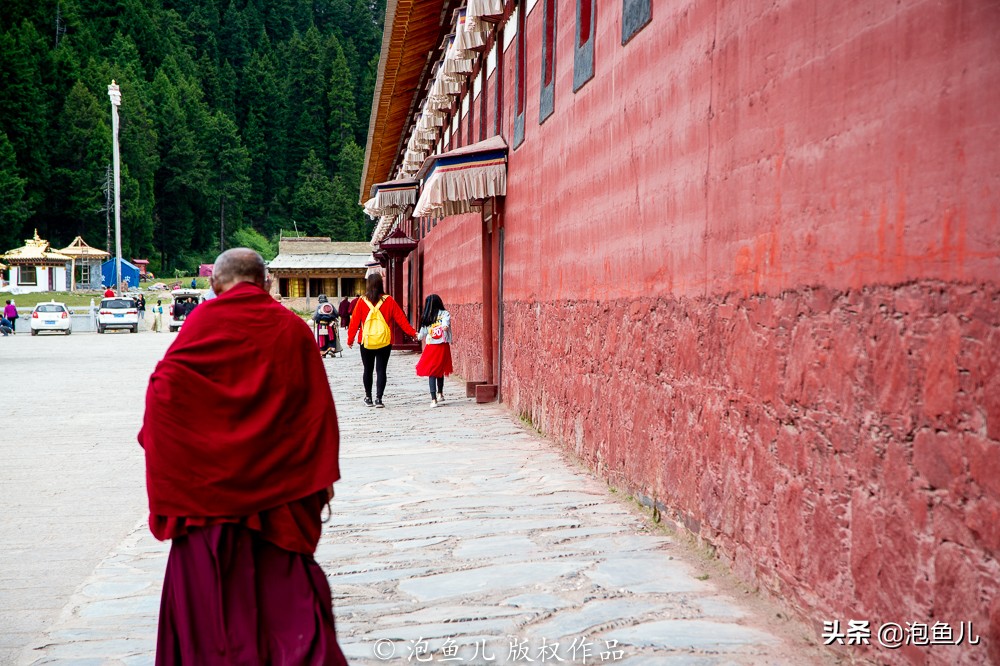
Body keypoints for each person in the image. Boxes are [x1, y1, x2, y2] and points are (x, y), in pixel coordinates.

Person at [138, 248, 347, 665]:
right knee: (293, 619)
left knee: (210, 622)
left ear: (214, 285)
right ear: (266, 282)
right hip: (279, 508)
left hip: (206, 510)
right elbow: (316, 413)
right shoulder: (290, 329)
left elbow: (163, 396)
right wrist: (313, 483)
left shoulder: (201, 322)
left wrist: (194, 462)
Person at [347, 273, 416, 408]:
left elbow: (354, 322)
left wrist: (350, 339)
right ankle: (379, 399)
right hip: (384, 341)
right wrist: (412, 333)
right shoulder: (389, 300)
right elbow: (401, 319)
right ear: (381, 284)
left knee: (368, 369)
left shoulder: (361, 301)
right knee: (381, 369)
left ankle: (368, 397)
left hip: (366, 341)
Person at [415, 294, 454, 407]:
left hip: (437, 345)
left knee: (435, 370)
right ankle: (437, 396)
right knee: (436, 370)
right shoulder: (435, 316)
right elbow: (424, 332)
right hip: (437, 345)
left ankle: (436, 396)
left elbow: (445, 322)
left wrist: (445, 326)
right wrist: (417, 335)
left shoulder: (435, 316)